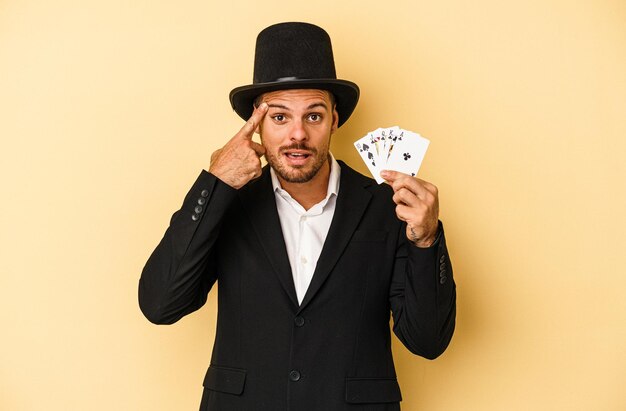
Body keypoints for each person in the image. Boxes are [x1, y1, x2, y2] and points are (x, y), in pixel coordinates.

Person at [139, 22, 455, 411]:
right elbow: (160, 304)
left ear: (335, 120)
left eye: (314, 116)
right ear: (255, 122)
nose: (297, 135)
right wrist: (215, 183)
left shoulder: (388, 207)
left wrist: (426, 241)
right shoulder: (228, 202)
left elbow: (427, 342)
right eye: (279, 117)